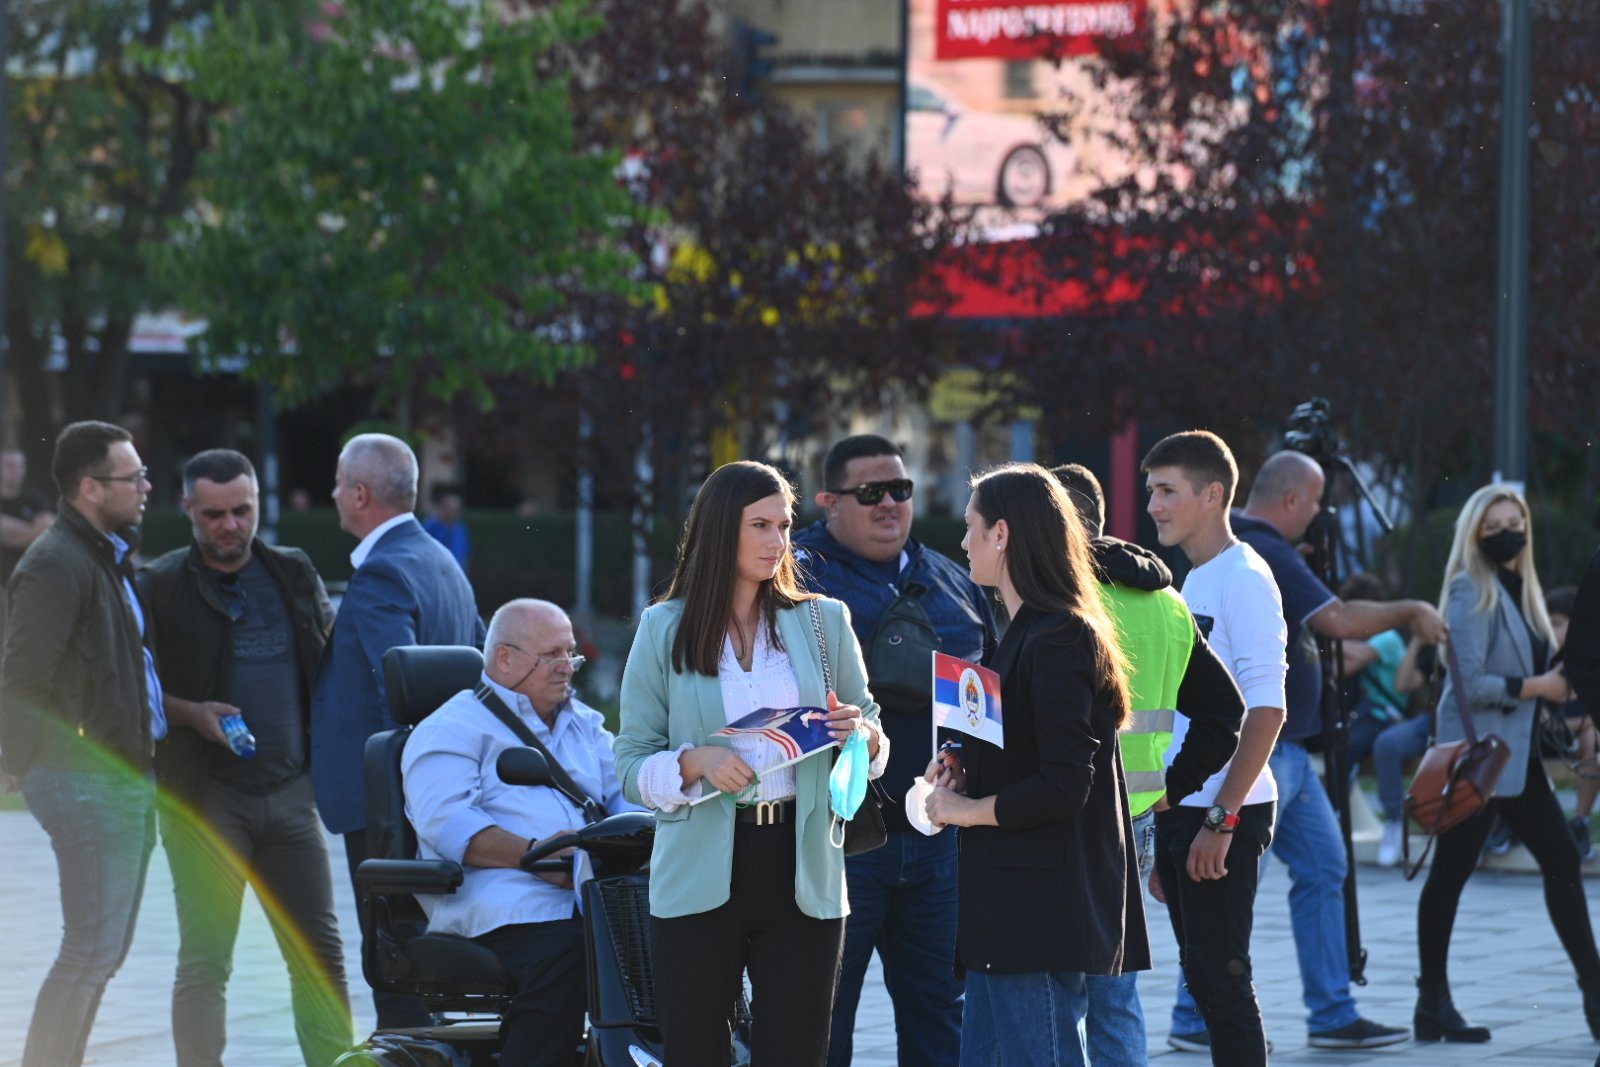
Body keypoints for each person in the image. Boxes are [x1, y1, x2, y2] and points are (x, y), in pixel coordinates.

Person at [614, 460, 886, 1066]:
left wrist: (860, 735)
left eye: (785, 526)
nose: (778, 542)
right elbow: (630, 762)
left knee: (796, 1053)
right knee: (695, 1053)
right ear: (719, 531)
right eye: (760, 525)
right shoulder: (664, 628)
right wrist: (694, 763)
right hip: (699, 869)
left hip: (803, 866)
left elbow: (871, 733)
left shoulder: (824, 620)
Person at [1201, 450, 1432, 1049]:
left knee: (1324, 869)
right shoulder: (1265, 551)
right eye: (1317, 501)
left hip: (1290, 752)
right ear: (1294, 501)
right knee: (1222, 889)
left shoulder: (1258, 553)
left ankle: (1331, 1014)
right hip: (1266, 751)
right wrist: (1410, 610)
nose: (1321, 513)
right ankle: (1199, 1017)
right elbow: (1341, 622)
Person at [920, 463, 1149, 1066]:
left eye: (971, 527)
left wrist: (968, 810)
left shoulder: (1060, 635)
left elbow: (1067, 783)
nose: (962, 541)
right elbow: (1030, 754)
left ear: (1003, 534)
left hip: (1040, 910)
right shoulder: (1023, 629)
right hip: (1004, 909)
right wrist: (968, 770)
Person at [139, 449, 350, 1066]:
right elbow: (137, 689)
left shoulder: (290, 571)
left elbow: (325, 669)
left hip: (288, 794)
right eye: (213, 514)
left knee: (319, 953)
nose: (229, 525)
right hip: (207, 799)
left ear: (259, 504)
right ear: (187, 510)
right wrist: (192, 713)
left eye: (242, 510)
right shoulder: (162, 583)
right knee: (206, 960)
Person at [792, 433, 996, 1067]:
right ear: (828, 501)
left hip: (942, 839)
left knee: (941, 1010)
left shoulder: (953, 580)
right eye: (870, 492)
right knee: (822, 1013)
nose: (889, 505)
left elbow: (990, 695)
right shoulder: (793, 583)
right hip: (841, 835)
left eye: (900, 491)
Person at [1050, 462, 1246, 1065]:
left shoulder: (1050, 602)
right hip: (1133, 817)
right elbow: (1225, 712)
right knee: (1116, 989)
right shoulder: (1164, 602)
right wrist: (1171, 787)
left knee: (1057, 991)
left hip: (1055, 817)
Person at [403, 599, 634, 1066]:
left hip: (590, 893)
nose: (566, 667)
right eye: (552, 655)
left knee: (686, 937)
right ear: (504, 657)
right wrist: (534, 855)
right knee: (569, 954)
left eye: (571, 654)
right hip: (503, 902)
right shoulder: (451, 728)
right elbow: (448, 822)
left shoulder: (583, 724)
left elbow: (627, 791)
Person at [0, 421, 167, 1067]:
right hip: (84, 777)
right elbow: (21, 676)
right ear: (91, 487)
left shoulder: (103, 553)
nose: (147, 487)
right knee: (89, 947)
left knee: (104, 949)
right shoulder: (55, 561)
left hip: (119, 774)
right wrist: (27, 763)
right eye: (134, 477)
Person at [1413, 483, 1600, 1043]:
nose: (1505, 533)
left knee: (1561, 862)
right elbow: (1468, 679)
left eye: (1513, 522)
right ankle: (1433, 1001)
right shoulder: (1472, 586)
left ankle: (1593, 990)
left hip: (1512, 763)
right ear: (1475, 533)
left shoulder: (1524, 589)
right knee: (1450, 875)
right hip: (1479, 761)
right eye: (1492, 525)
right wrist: (1537, 684)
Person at [311, 431, 485, 1027]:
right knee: (418, 953)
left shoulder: (383, 572)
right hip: (429, 795)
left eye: (338, 483)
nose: (333, 494)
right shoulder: (440, 560)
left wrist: (404, 805)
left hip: (389, 803)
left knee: (393, 958)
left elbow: (400, 695)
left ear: (360, 494)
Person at [1141, 430, 1283, 1065]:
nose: (1153, 505)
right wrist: (1166, 820)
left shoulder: (1245, 577)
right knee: (1204, 982)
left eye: (1168, 491)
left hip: (1227, 811)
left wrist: (1222, 819)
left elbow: (1267, 709)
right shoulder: (1191, 580)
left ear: (1213, 494)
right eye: (1151, 491)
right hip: (1186, 810)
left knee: (1222, 986)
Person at [1546, 585, 1599, 861]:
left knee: (1593, 740)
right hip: (1542, 736)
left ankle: (1579, 821)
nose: (1550, 630)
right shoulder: (1540, 657)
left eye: (1557, 624)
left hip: (1578, 735)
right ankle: (1507, 824)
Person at [0, 447, 54, 645]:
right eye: (9, 465)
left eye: (18, 465)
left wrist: (9, 530)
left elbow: (47, 534)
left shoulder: (36, 499)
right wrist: (30, 531)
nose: (14, 470)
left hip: (31, 585)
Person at [422, 483, 470, 569]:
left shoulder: (460, 528)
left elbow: (465, 554)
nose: (454, 513)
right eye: (451, 509)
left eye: (456, 509)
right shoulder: (429, 527)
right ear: (443, 507)